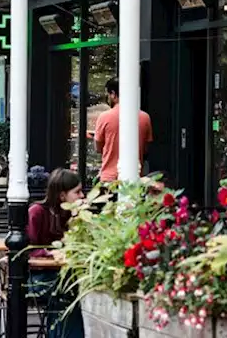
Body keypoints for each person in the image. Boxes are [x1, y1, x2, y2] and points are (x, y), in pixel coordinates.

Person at [27, 169, 84, 338]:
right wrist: (50, 253)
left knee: (73, 288)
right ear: (62, 196)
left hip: (62, 276)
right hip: (35, 280)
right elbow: (27, 250)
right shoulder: (37, 212)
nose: (82, 196)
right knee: (68, 289)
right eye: (77, 192)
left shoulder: (73, 215)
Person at [93, 79, 153, 183]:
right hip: (135, 177)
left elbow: (98, 147)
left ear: (113, 94)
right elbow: (146, 148)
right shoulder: (145, 117)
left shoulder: (104, 117)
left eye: (108, 94)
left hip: (109, 178)